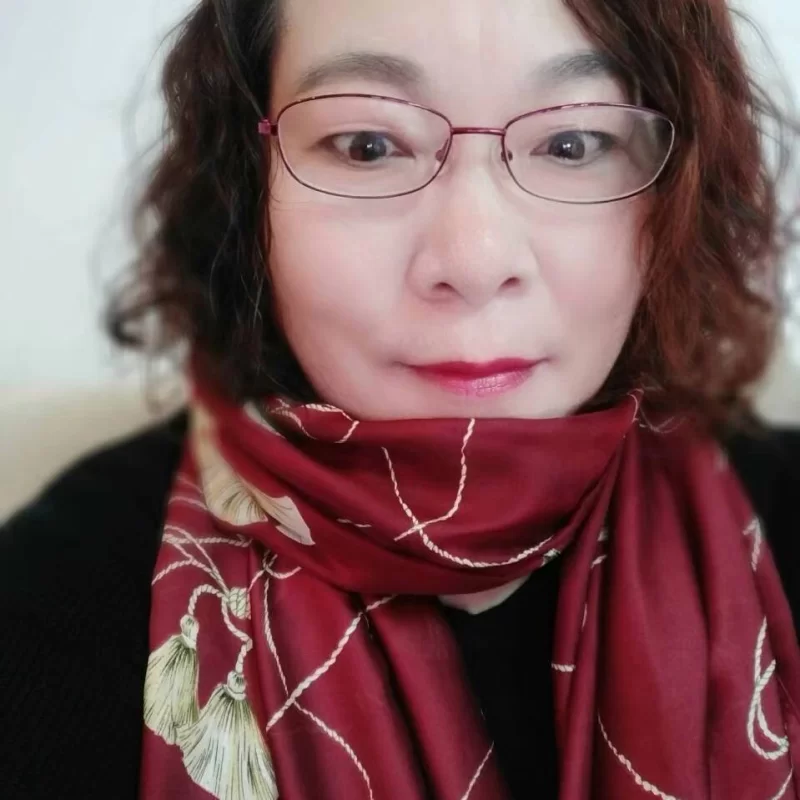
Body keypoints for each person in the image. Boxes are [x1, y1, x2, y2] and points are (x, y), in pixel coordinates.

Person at [2, 0, 800, 797]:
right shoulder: (54, 602)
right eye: (368, 146)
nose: (476, 260)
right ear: (246, 182)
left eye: (573, 144)